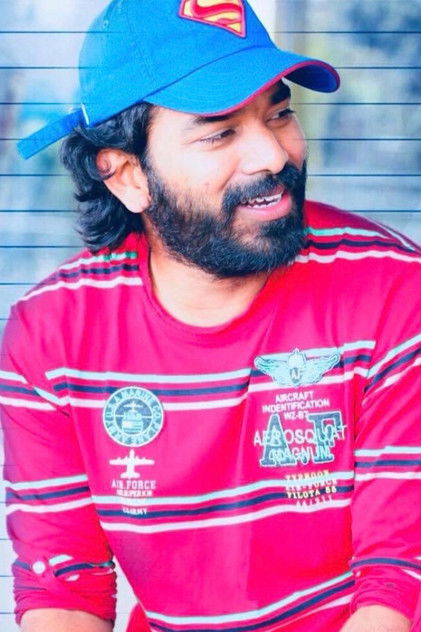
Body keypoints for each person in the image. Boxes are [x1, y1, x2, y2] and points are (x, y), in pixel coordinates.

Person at [1, 0, 420, 631]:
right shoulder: (51, 334)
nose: (271, 156)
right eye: (220, 133)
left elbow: (399, 575)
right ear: (128, 177)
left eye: (279, 114)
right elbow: (65, 589)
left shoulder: (393, 287)